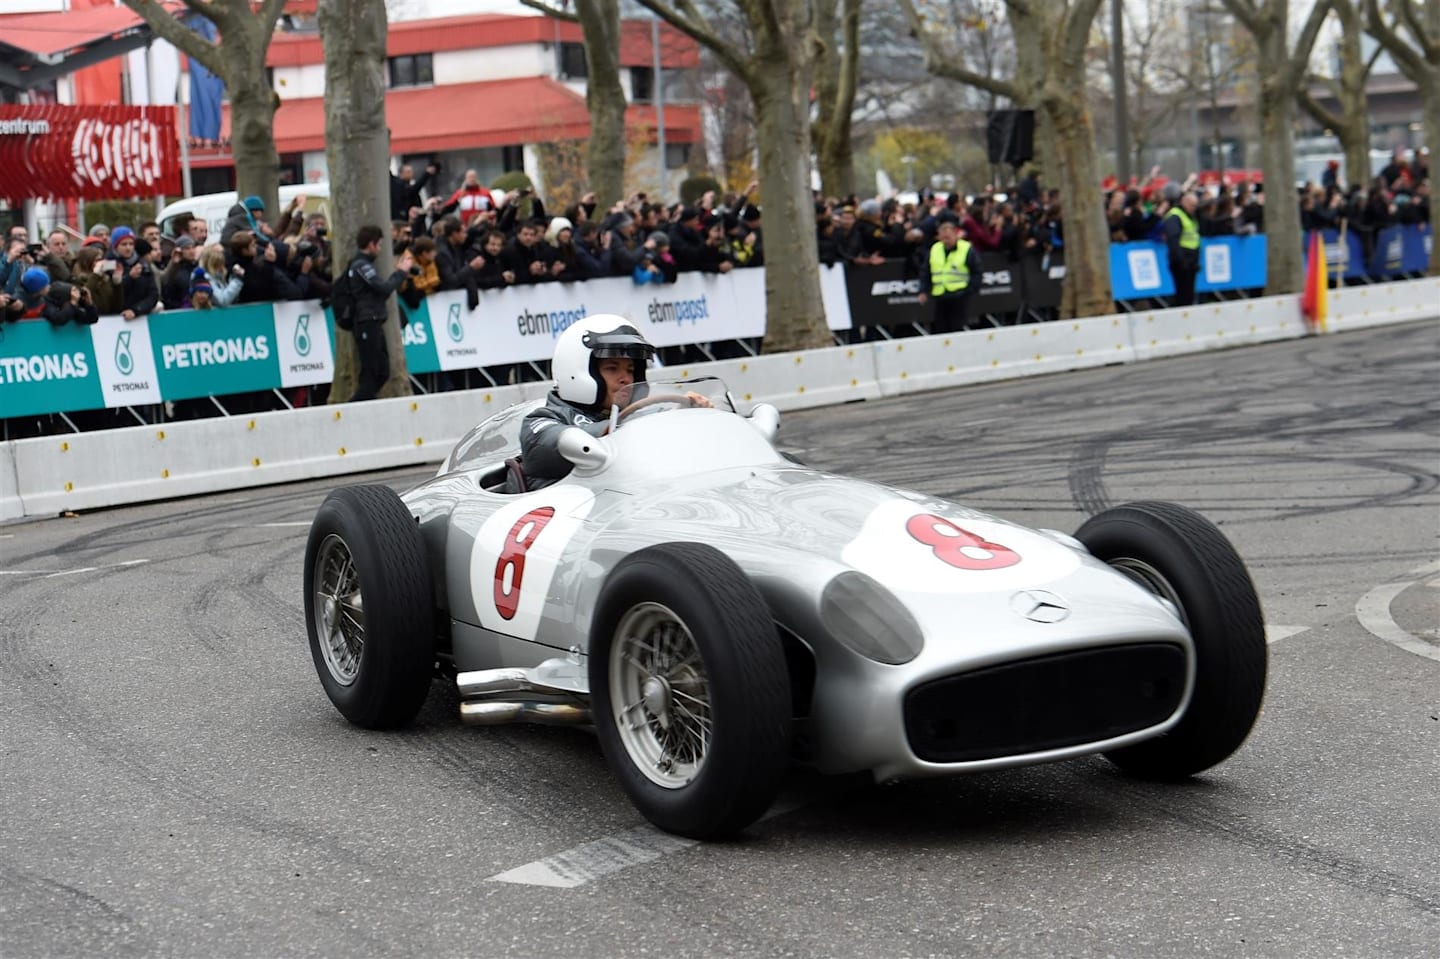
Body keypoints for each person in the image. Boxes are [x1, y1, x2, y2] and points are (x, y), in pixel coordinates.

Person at [519, 315, 711, 490]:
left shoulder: (642, 414)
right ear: (578, 371)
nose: (626, 379)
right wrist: (614, 431)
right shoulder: (542, 420)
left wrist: (689, 416)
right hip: (581, 520)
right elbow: (549, 442)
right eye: (612, 368)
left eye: (630, 370)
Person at [346, 224, 414, 403]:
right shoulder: (361, 265)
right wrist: (400, 273)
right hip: (366, 321)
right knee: (371, 373)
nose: (380, 249)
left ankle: (364, 404)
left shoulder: (366, 264)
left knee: (383, 371)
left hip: (375, 320)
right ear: (371, 244)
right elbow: (383, 288)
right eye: (380, 244)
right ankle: (353, 409)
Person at [918, 216, 980, 334]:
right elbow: (925, 272)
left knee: (956, 329)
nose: (946, 239)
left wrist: (970, 289)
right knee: (940, 330)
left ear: (955, 234)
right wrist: (923, 290)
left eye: (948, 236)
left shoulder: (966, 249)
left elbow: (977, 271)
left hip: (959, 295)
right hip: (940, 295)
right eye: (943, 236)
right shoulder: (935, 249)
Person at [1163, 184, 1201, 306]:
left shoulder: (1190, 216)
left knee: (1189, 295)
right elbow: (1173, 240)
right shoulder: (1175, 216)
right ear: (1184, 202)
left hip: (1191, 261)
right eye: (1192, 205)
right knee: (1182, 296)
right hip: (1181, 262)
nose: (1194, 208)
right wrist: (1182, 261)